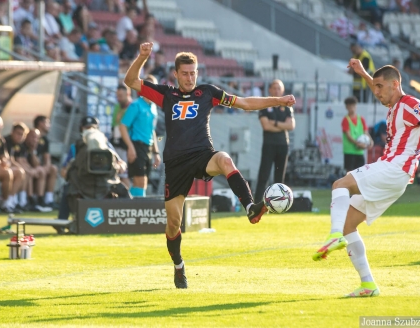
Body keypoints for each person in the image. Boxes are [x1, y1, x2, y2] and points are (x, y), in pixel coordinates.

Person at [123, 42, 295, 289]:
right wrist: (141, 57)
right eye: (185, 73)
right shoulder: (165, 94)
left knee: (225, 159)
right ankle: (179, 266)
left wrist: (278, 100)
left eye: (193, 72)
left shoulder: (208, 93)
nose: (190, 77)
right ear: (176, 74)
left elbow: (244, 103)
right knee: (173, 223)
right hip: (175, 163)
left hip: (203, 154)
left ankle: (250, 208)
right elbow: (131, 81)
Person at [312, 60, 420, 297]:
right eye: (375, 87)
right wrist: (363, 72)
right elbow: (375, 83)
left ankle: (333, 236)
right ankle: (368, 284)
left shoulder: (409, 104)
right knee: (348, 224)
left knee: (339, 184)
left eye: (380, 87)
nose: (376, 91)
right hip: (395, 176)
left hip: (394, 169)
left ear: (395, 84)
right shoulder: (395, 106)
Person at [254, 79, 296, 203]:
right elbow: (266, 126)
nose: (277, 90)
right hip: (269, 144)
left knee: (279, 177)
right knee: (264, 175)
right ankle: (256, 203)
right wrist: (282, 125)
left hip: (283, 144)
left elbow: (291, 125)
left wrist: (275, 123)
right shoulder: (265, 105)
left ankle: (279, 203)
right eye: (274, 87)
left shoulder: (286, 106)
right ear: (270, 90)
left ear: (282, 90)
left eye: (279, 88)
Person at [119, 75, 161, 197]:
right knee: (140, 181)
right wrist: (130, 148)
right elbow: (123, 126)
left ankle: (129, 204)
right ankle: (134, 208)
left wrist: (156, 153)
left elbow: (152, 131)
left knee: (143, 183)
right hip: (137, 146)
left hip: (148, 147)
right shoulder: (136, 105)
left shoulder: (153, 107)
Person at [18, 128, 51, 212]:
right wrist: (30, 170)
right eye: (32, 137)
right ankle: (29, 199)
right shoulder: (22, 146)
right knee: (28, 173)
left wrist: (33, 151)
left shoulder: (34, 147)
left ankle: (40, 199)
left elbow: (36, 163)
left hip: (31, 169)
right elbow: (20, 161)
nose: (34, 139)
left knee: (41, 171)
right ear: (27, 136)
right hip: (23, 170)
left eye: (36, 137)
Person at [341, 96, 372, 173]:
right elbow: (348, 135)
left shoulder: (361, 119)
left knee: (360, 172)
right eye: (349, 106)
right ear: (346, 107)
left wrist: (371, 141)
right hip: (349, 151)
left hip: (359, 151)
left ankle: (357, 185)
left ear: (356, 106)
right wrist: (358, 143)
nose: (352, 108)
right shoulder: (345, 120)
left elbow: (366, 132)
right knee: (349, 172)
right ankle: (348, 185)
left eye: (353, 106)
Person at [33, 115, 58, 208]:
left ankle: (49, 199)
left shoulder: (45, 140)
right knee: (41, 171)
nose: (49, 125)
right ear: (40, 123)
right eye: (47, 123)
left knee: (53, 168)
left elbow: (47, 157)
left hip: (39, 166)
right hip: (30, 166)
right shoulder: (32, 135)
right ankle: (39, 199)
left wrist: (47, 166)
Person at [4, 123, 29, 211]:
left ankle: (21, 201)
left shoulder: (21, 145)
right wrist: (22, 168)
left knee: (25, 172)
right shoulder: (6, 141)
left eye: (22, 134)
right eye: (18, 133)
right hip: (3, 167)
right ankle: (9, 202)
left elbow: (21, 160)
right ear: (12, 132)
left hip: (10, 167)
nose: (20, 136)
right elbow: (9, 160)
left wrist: (29, 169)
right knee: (20, 172)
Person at [112, 85, 132, 187]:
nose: (119, 98)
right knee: (117, 174)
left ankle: (130, 200)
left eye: (121, 95)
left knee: (124, 175)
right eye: (117, 96)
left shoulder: (132, 107)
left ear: (127, 94)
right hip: (116, 144)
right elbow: (114, 124)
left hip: (126, 146)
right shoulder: (117, 106)